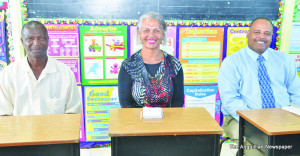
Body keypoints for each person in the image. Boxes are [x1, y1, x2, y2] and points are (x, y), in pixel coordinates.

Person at [218, 17, 300, 155]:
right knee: (261, 152)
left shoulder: (284, 60)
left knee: (292, 148)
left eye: (267, 33)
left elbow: (296, 93)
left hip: (282, 119)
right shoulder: (231, 63)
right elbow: (230, 101)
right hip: (243, 120)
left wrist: (292, 118)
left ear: (271, 37)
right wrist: (257, 122)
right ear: (248, 34)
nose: (262, 37)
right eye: (257, 32)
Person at [0, 21, 81, 116]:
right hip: (21, 131)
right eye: (30, 39)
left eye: (41, 38)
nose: (36, 43)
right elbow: (4, 115)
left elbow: (73, 113)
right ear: (22, 41)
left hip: (55, 131)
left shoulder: (65, 74)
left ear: (48, 40)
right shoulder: (8, 75)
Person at [118, 12, 184, 108]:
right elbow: (125, 102)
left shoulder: (174, 64)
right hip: (137, 121)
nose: (151, 35)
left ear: (163, 33)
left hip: (167, 120)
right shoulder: (128, 65)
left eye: (156, 31)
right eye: (146, 30)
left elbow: (178, 101)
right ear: (139, 33)